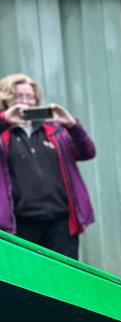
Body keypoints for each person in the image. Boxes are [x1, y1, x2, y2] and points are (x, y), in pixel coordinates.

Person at [0, 73, 96, 259]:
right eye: (19, 96)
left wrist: (72, 124)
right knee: (25, 283)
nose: (26, 101)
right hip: (19, 225)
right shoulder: (3, 135)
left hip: (61, 224)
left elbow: (87, 152)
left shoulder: (54, 131)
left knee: (64, 282)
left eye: (30, 97)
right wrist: (5, 119)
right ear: (6, 99)